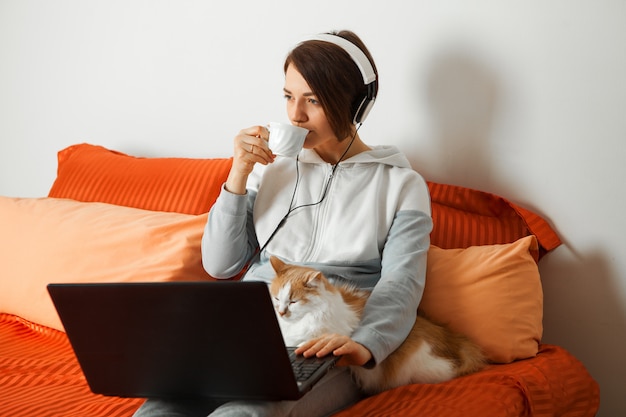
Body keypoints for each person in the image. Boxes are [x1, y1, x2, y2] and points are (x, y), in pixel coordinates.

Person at [133, 29, 432, 417]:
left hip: (324, 341)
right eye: (289, 96)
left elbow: (402, 282)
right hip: (245, 334)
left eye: (314, 100)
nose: (295, 115)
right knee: (157, 410)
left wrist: (367, 344)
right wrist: (239, 173)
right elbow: (220, 264)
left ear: (356, 107)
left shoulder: (401, 184)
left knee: (245, 414)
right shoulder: (268, 170)